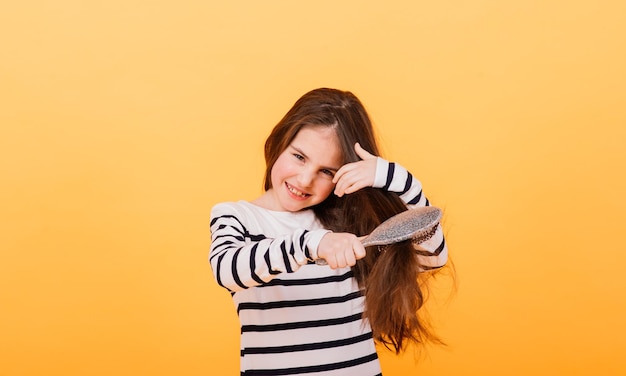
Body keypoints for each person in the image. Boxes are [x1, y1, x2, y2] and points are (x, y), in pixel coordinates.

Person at [209, 88, 449, 375]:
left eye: (327, 171)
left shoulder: (352, 222)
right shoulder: (238, 217)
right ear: (278, 143)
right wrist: (314, 244)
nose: (305, 179)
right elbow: (227, 270)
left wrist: (398, 180)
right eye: (299, 156)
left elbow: (432, 257)